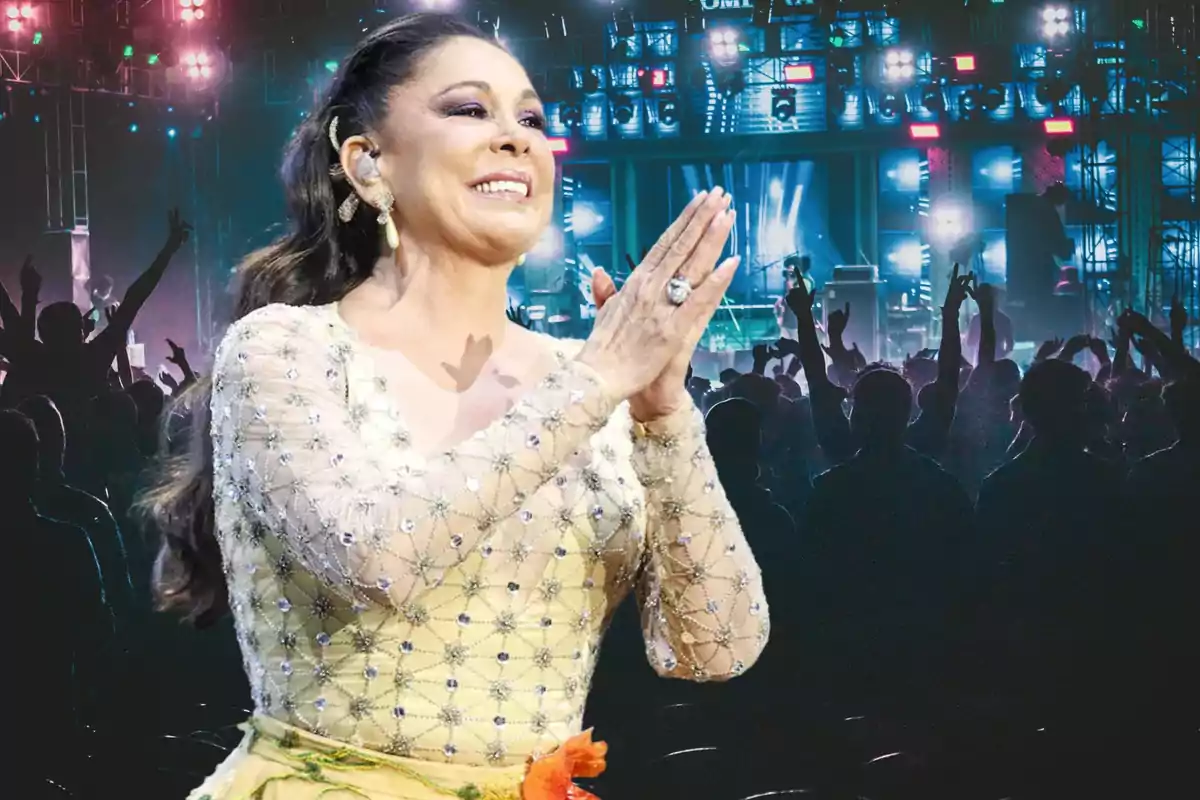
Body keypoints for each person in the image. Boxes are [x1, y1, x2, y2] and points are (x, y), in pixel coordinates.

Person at [139, 14, 769, 800]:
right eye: (470, 109)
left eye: (531, 119)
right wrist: (598, 380)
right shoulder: (283, 352)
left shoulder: (596, 384)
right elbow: (377, 558)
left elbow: (714, 646)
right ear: (368, 164)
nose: (516, 138)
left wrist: (663, 412)